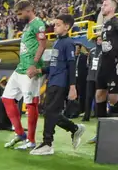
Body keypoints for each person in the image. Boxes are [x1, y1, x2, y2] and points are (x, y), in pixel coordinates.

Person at [29, 14, 88, 155]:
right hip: (53, 81)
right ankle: (74, 129)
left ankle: (47, 143)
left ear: (67, 27)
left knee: (50, 111)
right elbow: (55, 65)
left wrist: (72, 87)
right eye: (54, 24)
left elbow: (71, 65)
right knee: (50, 111)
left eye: (58, 25)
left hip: (60, 83)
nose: (55, 27)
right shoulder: (57, 42)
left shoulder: (68, 43)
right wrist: (40, 70)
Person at [2, 0, 45, 150]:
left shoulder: (38, 24)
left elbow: (42, 44)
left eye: (20, 13)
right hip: (20, 68)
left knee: (31, 103)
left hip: (30, 69)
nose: (19, 17)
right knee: (7, 98)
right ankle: (20, 134)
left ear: (29, 9)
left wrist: (34, 64)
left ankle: (31, 141)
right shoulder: (27, 26)